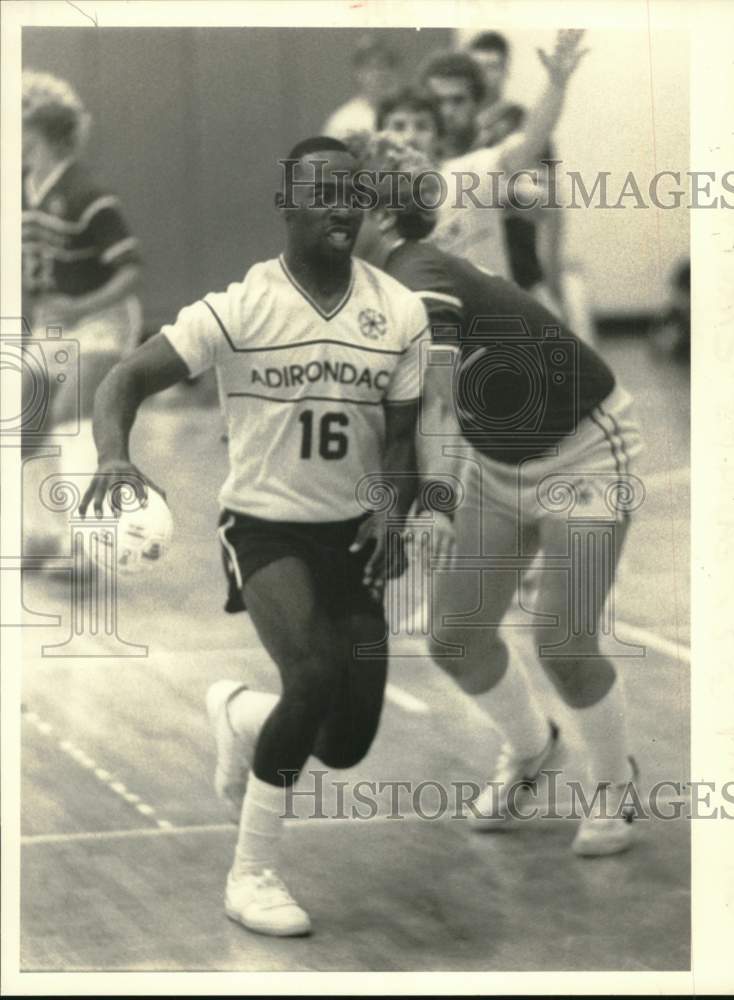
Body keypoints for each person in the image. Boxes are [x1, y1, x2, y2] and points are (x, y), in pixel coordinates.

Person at [79, 137, 429, 936]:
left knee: (345, 742)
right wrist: (112, 455)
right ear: (287, 205)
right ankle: (252, 874)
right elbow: (123, 379)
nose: (343, 206)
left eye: (354, 192)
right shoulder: (237, 309)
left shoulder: (398, 312)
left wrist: (391, 508)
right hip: (265, 529)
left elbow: (402, 439)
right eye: (324, 192)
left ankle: (239, 715)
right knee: (312, 672)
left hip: (351, 535)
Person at [346, 131, 643, 856]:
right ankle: (533, 748)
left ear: (380, 215)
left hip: (582, 451)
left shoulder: (416, 274)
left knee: (562, 641)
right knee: (454, 637)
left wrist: (433, 506)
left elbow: (439, 405)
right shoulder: (369, 285)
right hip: (497, 458)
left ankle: (614, 785)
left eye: (340, 199)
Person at [22, 70, 142, 550]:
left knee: (71, 414)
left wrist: (79, 306)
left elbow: (131, 271)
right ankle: (42, 533)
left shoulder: (88, 195)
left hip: (100, 318)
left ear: (42, 138)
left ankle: (88, 540)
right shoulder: (20, 191)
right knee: (25, 414)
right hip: (55, 322)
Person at [413, 30, 587, 288]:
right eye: (438, 102)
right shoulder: (414, 159)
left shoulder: (490, 154)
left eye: (457, 101)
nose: (447, 111)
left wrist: (556, 85)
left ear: (476, 102)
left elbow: (531, 149)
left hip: (510, 286)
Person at [322, 34, 401, 139]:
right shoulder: (342, 122)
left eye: (388, 65)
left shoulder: (408, 118)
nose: (382, 73)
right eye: (374, 67)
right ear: (358, 73)